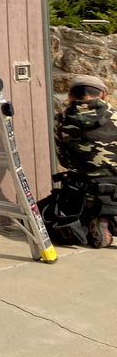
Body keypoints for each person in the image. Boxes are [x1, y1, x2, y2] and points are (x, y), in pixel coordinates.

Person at [54, 73, 117, 246]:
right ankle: (108, 218)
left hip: (81, 187)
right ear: (102, 94)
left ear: (71, 96)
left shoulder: (61, 120)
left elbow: (63, 159)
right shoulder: (115, 116)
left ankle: (100, 220)